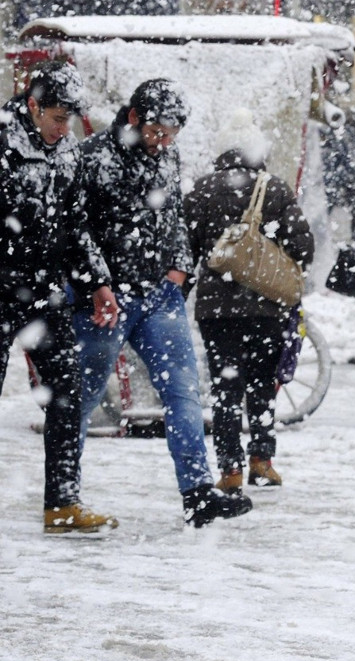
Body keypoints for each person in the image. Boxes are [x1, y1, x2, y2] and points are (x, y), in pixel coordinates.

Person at [73, 78, 252, 528]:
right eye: (158, 132)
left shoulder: (167, 156)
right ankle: (63, 493)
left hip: (158, 294)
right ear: (134, 117)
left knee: (183, 390)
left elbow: (173, 216)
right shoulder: (93, 158)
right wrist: (97, 282)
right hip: (106, 296)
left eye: (172, 134)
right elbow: (77, 228)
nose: (164, 142)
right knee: (85, 394)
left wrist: (180, 267)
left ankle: (197, 493)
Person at [0, 60, 119, 534]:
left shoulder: (66, 151)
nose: (62, 128)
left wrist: (98, 283)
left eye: (68, 120)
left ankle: (62, 504)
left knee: (68, 393)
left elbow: (75, 227)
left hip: (44, 293)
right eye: (55, 118)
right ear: (32, 106)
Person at [184, 108, 315, 493]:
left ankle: (229, 471)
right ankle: (262, 459)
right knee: (261, 383)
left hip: (216, 309)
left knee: (225, 388)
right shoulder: (274, 188)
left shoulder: (203, 189)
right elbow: (303, 246)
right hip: (265, 306)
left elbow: (184, 248)